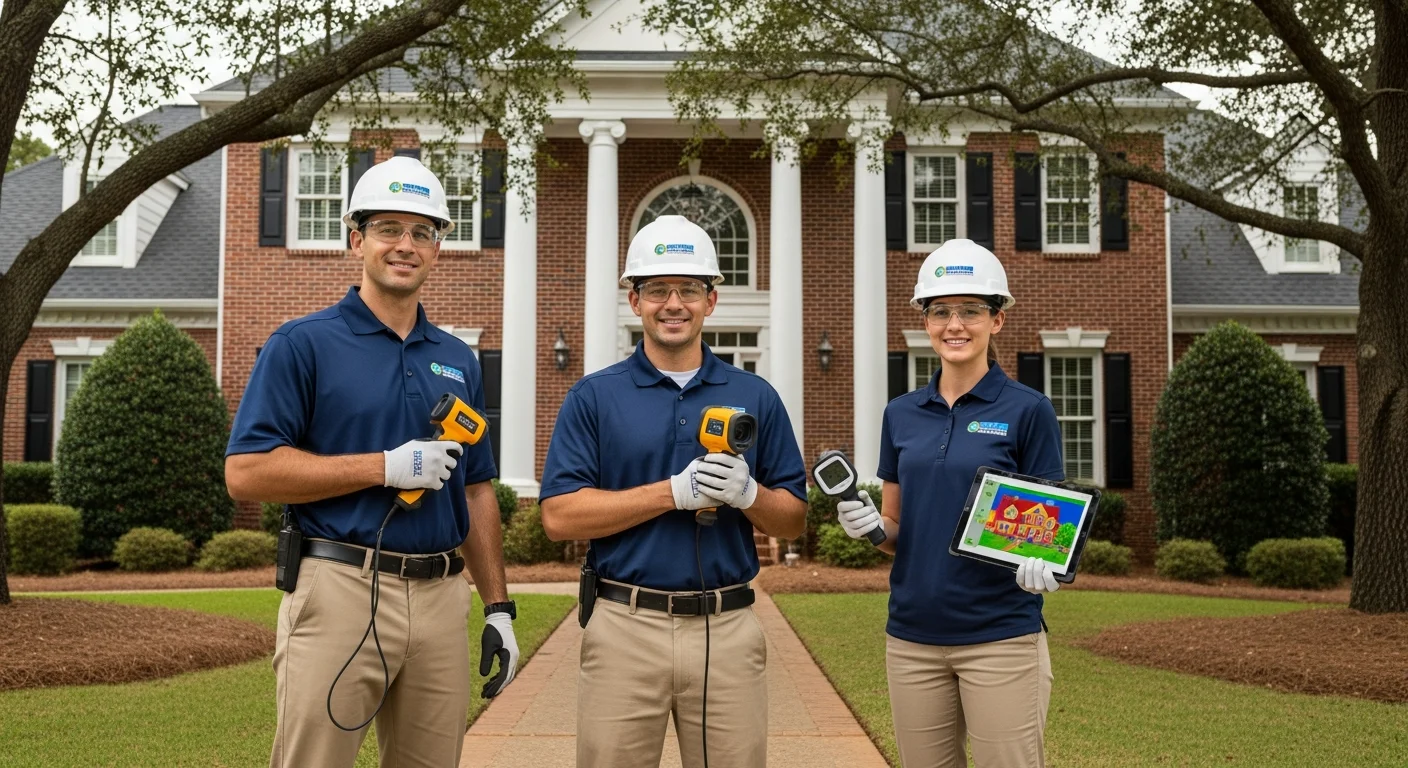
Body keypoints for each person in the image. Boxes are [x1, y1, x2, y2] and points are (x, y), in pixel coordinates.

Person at [225, 156, 519, 767]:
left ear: (438, 248)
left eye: (422, 232)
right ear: (356, 239)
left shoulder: (458, 358)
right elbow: (247, 472)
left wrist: (499, 608)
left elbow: (475, 489)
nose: (405, 245)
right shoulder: (303, 344)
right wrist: (384, 467)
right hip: (340, 587)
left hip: (442, 599)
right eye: (388, 228)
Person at [538, 214, 807, 768]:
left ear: (712, 300)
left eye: (689, 288)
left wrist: (749, 495)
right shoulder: (594, 397)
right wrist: (672, 493)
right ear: (634, 301)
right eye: (658, 289)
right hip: (624, 626)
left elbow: (793, 520)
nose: (674, 303)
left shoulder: (757, 395)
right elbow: (560, 518)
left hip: (728, 630)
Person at [834, 238, 1065, 767]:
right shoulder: (900, 414)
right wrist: (869, 527)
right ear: (925, 321)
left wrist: (1044, 566)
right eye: (940, 311)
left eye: (970, 310)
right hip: (911, 639)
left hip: (1000, 637)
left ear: (997, 320)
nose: (954, 324)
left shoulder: (1028, 410)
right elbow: (897, 530)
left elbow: (1048, 531)